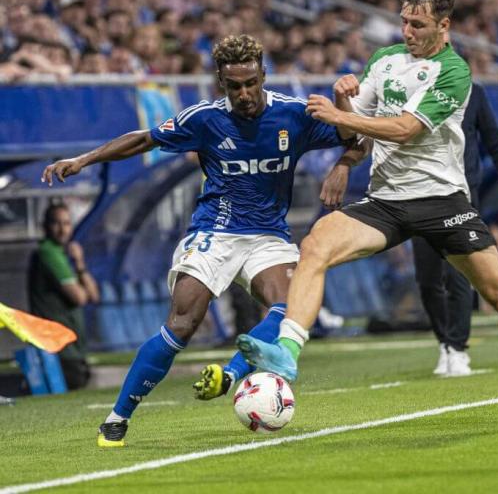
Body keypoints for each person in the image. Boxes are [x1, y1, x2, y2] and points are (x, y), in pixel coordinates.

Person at [235, 0, 498, 422]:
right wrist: (344, 106)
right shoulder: (384, 60)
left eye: (418, 25)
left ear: (444, 25)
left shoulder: (455, 72)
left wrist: (344, 115)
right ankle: (287, 351)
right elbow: (354, 133)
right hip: (386, 202)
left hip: (442, 202)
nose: (407, 33)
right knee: (317, 242)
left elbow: (404, 129)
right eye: (404, 22)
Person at [41, 34, 360, 447]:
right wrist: (83, 160)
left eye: (250, 83)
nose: (244, 94)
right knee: (182, 324)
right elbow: (144, 139)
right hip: (215, 231)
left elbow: (358, 139)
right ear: (220, 84)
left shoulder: (295, 115)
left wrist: (343, 167)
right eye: (234, 86)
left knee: (291, 306)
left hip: (268, 236)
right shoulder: (204, 119)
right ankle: (117, 417)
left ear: (263, 75)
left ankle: (228, 375)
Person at [323, 82, 498, 376]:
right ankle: (444, 341)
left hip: (460, 193)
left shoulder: (471, 90)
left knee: (458, 274)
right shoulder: (409, 86)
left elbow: (494, 140)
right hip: (419, 194)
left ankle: (458, 347)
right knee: (428, 277)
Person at [28, 202, 100, 390]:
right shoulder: (48, 253)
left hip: (71, 349)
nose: (63, 229)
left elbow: (94, 295)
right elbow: (80, 297)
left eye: (67, 223)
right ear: (45, 226)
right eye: (57, 223)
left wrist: (79, 263)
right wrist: (81, 284)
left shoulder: (62, 253)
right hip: (59, 350)